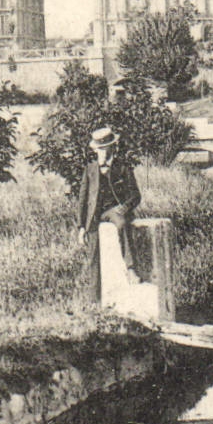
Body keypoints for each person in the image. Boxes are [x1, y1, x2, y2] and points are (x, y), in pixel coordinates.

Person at [76, 126, 142, 302]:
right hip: (94, 215)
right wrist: (81, 227)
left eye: (104, 149)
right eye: (98, 149)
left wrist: (124, 207)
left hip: (114, 210)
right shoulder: (90, 169)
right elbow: (82, 200)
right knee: (92, 257)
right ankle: (93, 302)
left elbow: (136, 195)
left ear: (112, 148)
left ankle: (131, 269)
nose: (101, 153)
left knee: (121, 224)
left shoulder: (122, 168)